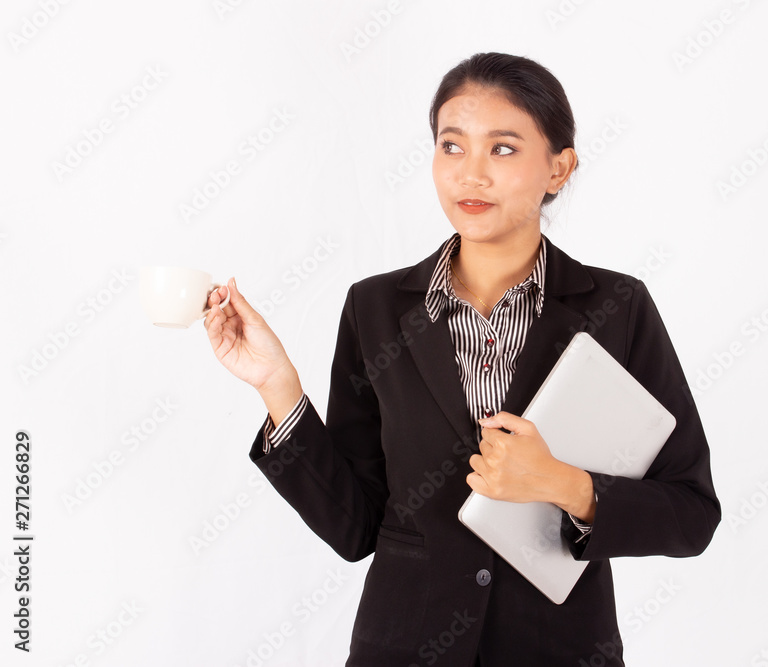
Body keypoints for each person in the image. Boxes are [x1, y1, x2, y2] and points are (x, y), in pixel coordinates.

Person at [205, 51, 720, 667]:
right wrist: (277, 386)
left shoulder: (618, 307)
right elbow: (354, 527)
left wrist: (560, 483)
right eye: (452, 146)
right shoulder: (375, 308)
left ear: (559, 167)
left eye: (502, 149)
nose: (470, 174)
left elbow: (691, 514)